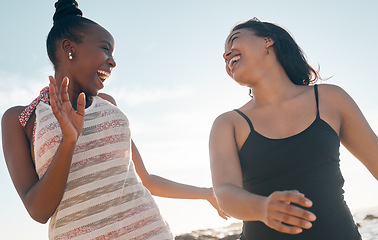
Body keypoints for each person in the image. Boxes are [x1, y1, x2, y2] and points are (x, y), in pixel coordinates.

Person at [1, 1, 227, 239]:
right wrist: (68, 141)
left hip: (151, 231)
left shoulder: (108, 103)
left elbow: (145, 179)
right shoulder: (21, 118)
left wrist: (206, 192)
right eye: (105, 48)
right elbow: (39, 211)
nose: (112, 61)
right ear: (70, 48)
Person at [209, 18, 378, 240]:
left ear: (268, 41)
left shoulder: (331, 99)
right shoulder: (228, 123)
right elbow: (225, 193)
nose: (226, 54)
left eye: (234, 40)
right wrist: (262, 208)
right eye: (224, 52)